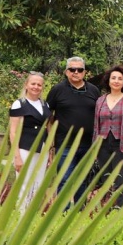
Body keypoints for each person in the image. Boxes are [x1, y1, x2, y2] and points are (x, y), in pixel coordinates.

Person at [46, 56, 101, 204]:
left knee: (82, 180)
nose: (76, 72)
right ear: (66, 72)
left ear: (84, 72)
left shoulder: (94, 90)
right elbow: (47, 117)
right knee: (64, 179)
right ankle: (62, 212)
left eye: (79, 69)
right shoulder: (57, 90)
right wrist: (51, 141)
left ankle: (79, 210)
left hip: (88, 145)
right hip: (64, 145)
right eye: (72, 69)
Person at [93, 65, 123, 208]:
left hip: (122, 144)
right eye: (113, 78)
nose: (116, 81)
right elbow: (96, 125)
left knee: (120, 179)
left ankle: (118, 210)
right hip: (103, 144)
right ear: (108, 81)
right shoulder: (100, 101)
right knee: (105, 178)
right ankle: (104, 209)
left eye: (120, 79)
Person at [9, 72, 52, 212]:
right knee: (24, 183)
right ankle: (22, 215)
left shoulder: (45, 104)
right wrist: (16, 156)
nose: (36, 87)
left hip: (42, 149)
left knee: (38, 183)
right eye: (33, 83)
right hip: (25, 149)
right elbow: (13, 131)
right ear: (26, 85)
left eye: (39, 84)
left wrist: (51, 150)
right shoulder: (19, 104)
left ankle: (33, 214)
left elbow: (48, 127)